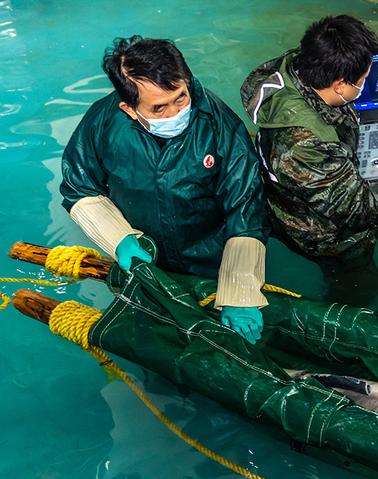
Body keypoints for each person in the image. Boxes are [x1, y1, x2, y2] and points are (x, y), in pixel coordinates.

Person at [60, 36, 269, 344]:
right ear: (129, 109)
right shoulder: (103, 123)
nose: (175, 114)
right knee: (157, 345)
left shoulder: (218, 124)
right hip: (143, 261)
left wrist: (240, 289)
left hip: (211, 262)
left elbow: (246, 206)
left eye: (180, 98)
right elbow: (79, 186)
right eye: (159, 108)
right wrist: (120, 241)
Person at [240, 15, 378, 279]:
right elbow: (354, 209)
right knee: (362, 283)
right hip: (324, 233)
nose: (366, 83)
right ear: (338, 84)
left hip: (316, 182)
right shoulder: (304, 143)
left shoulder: (298, 65)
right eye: (362, 80)